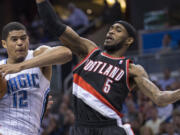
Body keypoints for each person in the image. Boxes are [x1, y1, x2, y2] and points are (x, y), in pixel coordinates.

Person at [1, 0, 180, 135]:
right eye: (111, 28)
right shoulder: (90, 50)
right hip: (80, 128)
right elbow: (56, 26)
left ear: (129, 40)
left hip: (109, 127)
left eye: (118, 30)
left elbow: (160, 98)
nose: (110, 31)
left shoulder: (132, 69)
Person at [0, 22, 72, 135]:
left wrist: (20, 66)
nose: (20, 43)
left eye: (23, 38)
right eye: (14, 39)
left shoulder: (38, 55)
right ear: (4, 44)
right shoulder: (0, 68)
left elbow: (66, 53)